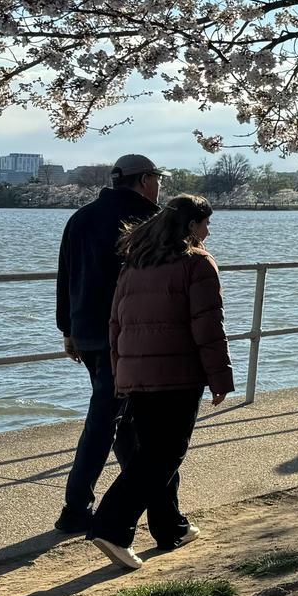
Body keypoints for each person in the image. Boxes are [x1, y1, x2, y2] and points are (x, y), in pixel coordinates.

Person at [87, 194, 232, 570]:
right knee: (164, 454)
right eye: (205, 224)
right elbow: (208, 326)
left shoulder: (136, 263)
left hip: (136, 372)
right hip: (177, 372)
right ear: (190, 227)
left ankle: (170, 527)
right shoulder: (197, 264)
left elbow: (115, 324)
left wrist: (120, 373)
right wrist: (220, 376)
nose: (208, 231)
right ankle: (112, 527)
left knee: (154, 450)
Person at [53, 154, 163, 533]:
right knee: (106, 419)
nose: (159, 186)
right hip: (127, 335)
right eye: (157, 179)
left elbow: (66, 276)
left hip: (86, 332)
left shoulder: (81, 217)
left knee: (122, 418)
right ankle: (76, 506)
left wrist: (66, 329)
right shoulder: (149, 221)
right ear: (144, 179)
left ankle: (141, 498)